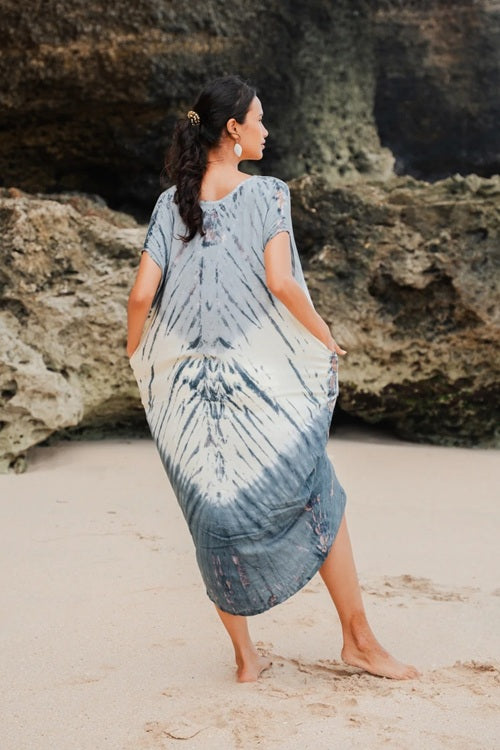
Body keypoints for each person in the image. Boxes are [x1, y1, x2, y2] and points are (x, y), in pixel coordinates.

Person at [126, 75, 420, 683]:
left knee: (210, 515)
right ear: (233, 129)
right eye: (259, 119)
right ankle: (358, 641)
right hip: (256, 385)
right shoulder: (267, 193)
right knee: (318, 488)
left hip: (184, 392)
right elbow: (281, 283)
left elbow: (139, 297)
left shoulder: (168, 204)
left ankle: (246, 659)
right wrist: (323, 334)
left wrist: (140, 360)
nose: (267, 129)